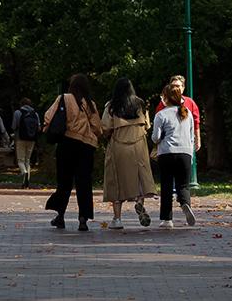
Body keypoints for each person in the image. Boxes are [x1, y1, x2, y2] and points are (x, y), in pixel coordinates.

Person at [43, 74, 103, 231]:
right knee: (84, 183)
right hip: (86, 146)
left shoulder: (63, 98)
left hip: (66, 144)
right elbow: (97, 127)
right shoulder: (90, 104)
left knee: (64, 182)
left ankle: (60, 216)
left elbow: (49, 117)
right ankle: (83, 219)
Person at [99, 79, 157, 229]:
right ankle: (139, 203)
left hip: (119, 146)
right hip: (139, 146)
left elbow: (105, 128)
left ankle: (117, 219)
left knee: (116, 181)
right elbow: (147, 125)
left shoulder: (111, 106)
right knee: (139, 178)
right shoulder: (141, 104)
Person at [151, 76, 201, 227]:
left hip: (167, 153)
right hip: (185, 153)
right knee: (183, 186)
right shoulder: (188, 114)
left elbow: (156, 137)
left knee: (166, 186)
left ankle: (167, 219)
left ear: (167, 98)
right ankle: (186, 205)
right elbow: (191, 134)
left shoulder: (162, 114)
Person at [10, 98, 42, 188]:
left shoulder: (18, 113)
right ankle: (26, 183)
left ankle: (24, 173)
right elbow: (39, 128)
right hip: (32, 139)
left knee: (20, 159)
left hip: (20, 139)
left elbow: (14, 126)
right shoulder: (35, 114)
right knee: (27, 159)